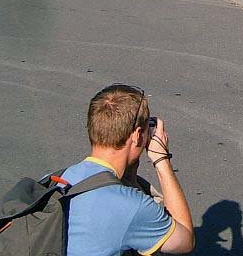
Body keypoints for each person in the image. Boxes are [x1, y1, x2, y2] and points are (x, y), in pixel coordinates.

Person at [60, 84, 194, 255]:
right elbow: (185, 240)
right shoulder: (133, 206)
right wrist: (161, 160)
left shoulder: (59, 178)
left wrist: (130, 169)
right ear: (138, 135)